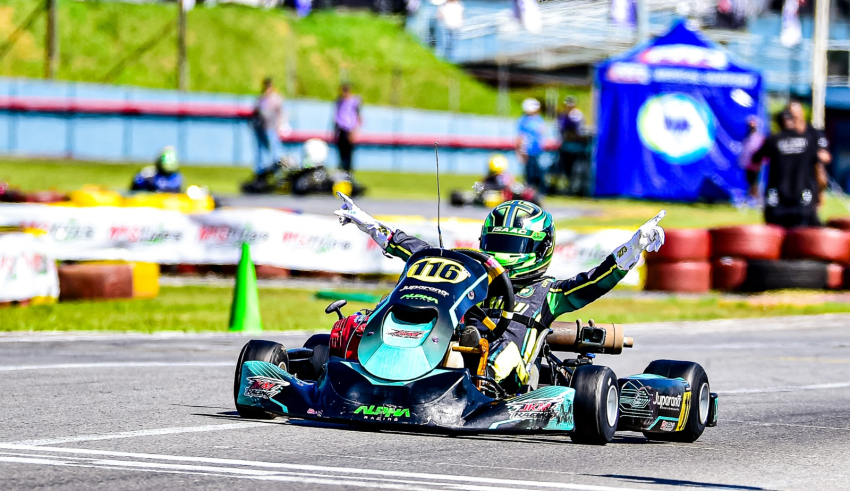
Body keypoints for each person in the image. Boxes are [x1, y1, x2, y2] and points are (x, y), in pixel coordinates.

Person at [334, 193, 666, 392]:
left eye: (513, 245)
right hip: (448, 349)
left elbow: (595, 280)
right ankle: (370, 362)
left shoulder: (550, 292)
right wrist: (367, 223)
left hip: (509, 376)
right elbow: (417, 251)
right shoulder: (471, 275)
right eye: (496, 243)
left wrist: (632, 248)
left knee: (492, 348)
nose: (503, 253)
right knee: (386, 323)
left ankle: (465, 382)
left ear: (540, 249)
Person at [751, 109, 828, 228]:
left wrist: (753, 185)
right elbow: (818, 168)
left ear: (778, 123)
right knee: (806, 235)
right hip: (803, 201)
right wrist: (820, 191)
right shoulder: (808, 141)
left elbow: (754, 161)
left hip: (776, 202)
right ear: (794, 121)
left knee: (775, 235)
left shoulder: (772, 140)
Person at [788, 100, 831, 205]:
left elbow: (825, 156)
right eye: (791, 115)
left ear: (802, 113)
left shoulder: (813, 133)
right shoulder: (785, 135)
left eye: (796, 115)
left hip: (809, 177)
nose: (794, 118)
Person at [252, 77, 285, 179]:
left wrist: (280, 126)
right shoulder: (261, 98)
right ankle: (260, 172)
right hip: (261, 128)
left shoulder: (276, 98)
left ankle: (278, 170)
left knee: (276, 150)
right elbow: (255, 112)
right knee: (260, 151)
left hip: (272, 128)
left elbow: (281, 113)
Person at [554, 96, 586, 195]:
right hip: (566, 147)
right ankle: (567, 188)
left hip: (576, 147)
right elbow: (560, 130)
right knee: (565, 168)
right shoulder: (563, 116)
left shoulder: (577, 115)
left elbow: (579, 131)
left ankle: (574, 188)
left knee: (576, 169)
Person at [516, 98, 546, 194]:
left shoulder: (538, 119)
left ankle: (539, 189)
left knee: (538, 170)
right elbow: (520, 136)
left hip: (537, 149)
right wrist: (520, 150)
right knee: (530, 171)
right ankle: (530, 190)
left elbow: (541, 132)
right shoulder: (524, 120)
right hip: (527, 149)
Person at [334, 84, 362, 174]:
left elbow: (358, 116)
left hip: (350, 130)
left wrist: (355, 131)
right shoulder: (339, 101)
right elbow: (337, 116)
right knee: (341, 151)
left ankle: (348, 171)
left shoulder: (354, 102)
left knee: (349, 153)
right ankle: (341, 169)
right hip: (341, 129)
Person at [739, 116, 765, 202]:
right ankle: (750, 198)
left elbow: (762, 151)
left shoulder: (759, 138)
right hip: (747, 163)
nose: (751, 127)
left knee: (755, 182)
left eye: (753, 126)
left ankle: (757, 199)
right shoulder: (747, 138)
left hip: (756, 164)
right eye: (750, 126)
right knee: (749, 182)